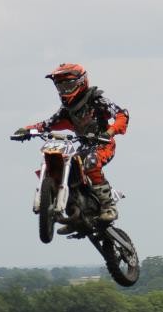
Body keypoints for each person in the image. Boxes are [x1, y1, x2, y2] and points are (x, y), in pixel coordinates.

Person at [13, 63, 130, 232]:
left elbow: (122, 114)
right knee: (66, 165)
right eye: (60, 86)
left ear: (81, 82)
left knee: (91, 162)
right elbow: (48, 123)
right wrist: (27, 130)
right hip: (83, 146)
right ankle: (75, 214)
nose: (64, 90)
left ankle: (108, 207)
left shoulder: (96, 99)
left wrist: (109, 132)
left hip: (103, 144)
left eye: (68, 85)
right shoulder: (67, 109)